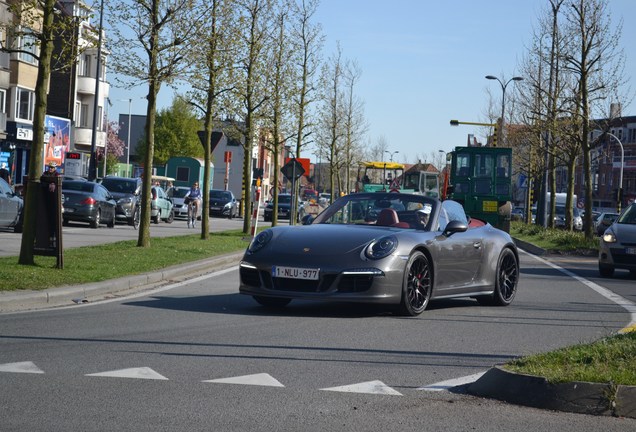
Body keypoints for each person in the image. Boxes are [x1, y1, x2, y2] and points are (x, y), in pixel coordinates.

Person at [41, 161, 60, 244]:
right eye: (49, 167)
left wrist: (50, 182)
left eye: (52, 167)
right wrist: (49, 182)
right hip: (44, 200)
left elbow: (56, 180)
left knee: (53, 219)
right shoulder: (45, 173)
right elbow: (42, 179)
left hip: (53, 201)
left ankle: (52, 237)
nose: (50, 169)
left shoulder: (57, 175)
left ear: (55, 168)